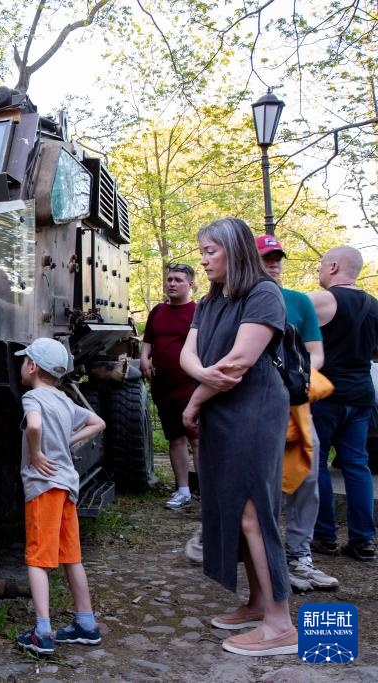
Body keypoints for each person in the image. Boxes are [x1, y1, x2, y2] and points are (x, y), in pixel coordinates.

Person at [180, 217, 295, 657]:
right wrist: (201, 377)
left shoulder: (264, 294)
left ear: (235, 249)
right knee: (230, 506)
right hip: (220, 409)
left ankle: (280, 625)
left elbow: (236, 365)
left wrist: (194, 401)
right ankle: (257, 602)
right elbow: (190, 353)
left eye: (211, 251)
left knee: (252, 511)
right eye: (202, 252)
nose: (204, 259)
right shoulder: (209, 301)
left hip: (253, 410)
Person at [13, 338, 106, 655]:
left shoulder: (33, 397)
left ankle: (42, 632)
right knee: (71, 558)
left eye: (24, 360)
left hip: (44, 487)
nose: (22, 365)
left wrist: (36, 453)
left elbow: (34, 426)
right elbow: (98, 422)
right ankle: (86, 623)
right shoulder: (65, 400)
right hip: (68, 487)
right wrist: (68, 440)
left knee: (37, 560)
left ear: (33, 366)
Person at [257, 234, 339, 591]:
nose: (274, 263)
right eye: (266, 258)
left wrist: (296, 376)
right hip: (256, 406)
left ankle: (299, 554)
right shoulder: (239, 300)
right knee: (264, 481)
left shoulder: (299, 302)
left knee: (306, 476)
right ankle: (268, 557)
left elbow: (315, 352)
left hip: (295, 402)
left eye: (277, 258)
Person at [308, 246, 378, 562]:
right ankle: (363, 541)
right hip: (362, 396)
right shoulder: (375, 307)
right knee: (357, 465)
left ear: (334, 267)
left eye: (323, 265)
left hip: (326, 396)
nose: (321, 271)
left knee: (317, 463)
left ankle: (324, 537)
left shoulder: (322, 300)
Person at [141, 263, 199, 509]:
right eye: (169, 279)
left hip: (191, 385)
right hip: (163, 385)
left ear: (191, 285)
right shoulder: (158, 311)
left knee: (197, 438)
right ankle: (183, 490)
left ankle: (208, 491)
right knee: (175, 438)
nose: (172, 284)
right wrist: (145, 358)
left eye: (178, 280)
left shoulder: (198, 312)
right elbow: (148, 340)